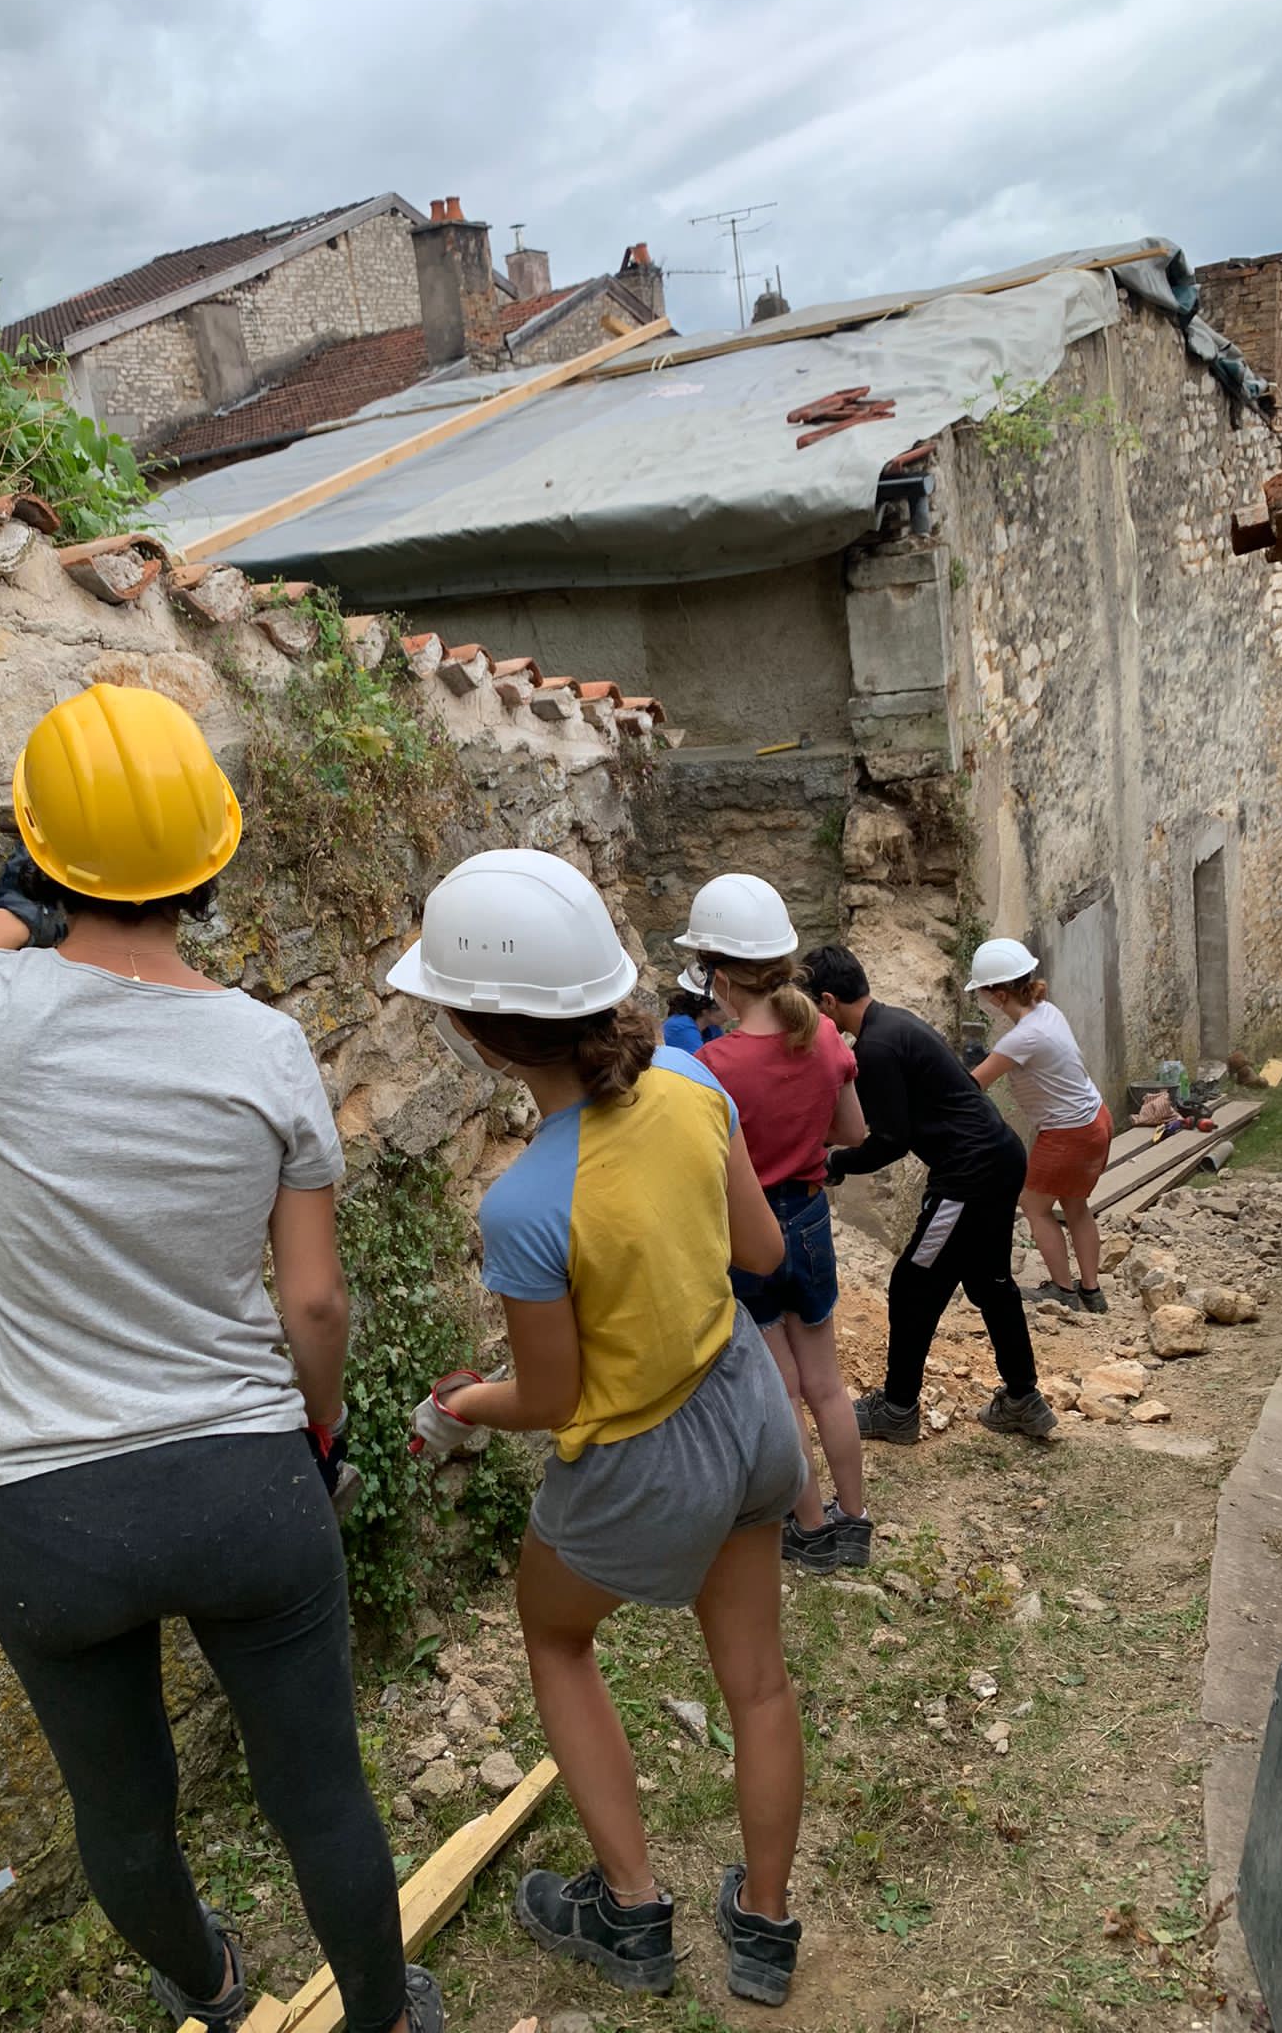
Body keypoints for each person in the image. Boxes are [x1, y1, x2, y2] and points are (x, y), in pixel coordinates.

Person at [0, 684, 441, 2033]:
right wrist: (319, 1437)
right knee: (321, 1795)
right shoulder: (266, 1044)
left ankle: (216, 1989)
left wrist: (18, 915)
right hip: (246, 1481)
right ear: (210, 858)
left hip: (51, 1513)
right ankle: (383, 2018)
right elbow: (315, 1305)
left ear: (43, 852)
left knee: (122, 1818)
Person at [390, 849, 809, 2008]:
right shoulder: (690, 1080)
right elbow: (762, 1251)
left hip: (644, 1461)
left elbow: (551, 1396)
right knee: (756, 1678)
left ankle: (630, 1909)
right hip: (747, 1403)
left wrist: (460, 1403)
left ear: (478, 1035)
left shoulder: (525, 1202)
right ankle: (765, 1927)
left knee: (557, 1634)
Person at [673, 874, 871, 1574]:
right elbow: (853, 1131)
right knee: (827, 1383)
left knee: (783, 1389)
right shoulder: (825, 1037)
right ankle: (855, 1521)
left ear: (721, 980)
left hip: (747, 1229)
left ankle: (809, 1528)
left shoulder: (710, 1065)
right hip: (810, 1217)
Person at [804, 944, 1057, 1445]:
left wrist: (834, 1164)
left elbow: (891, 1141)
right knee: (989, 1282)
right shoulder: (894, 1024)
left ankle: (898, 1409)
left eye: (812, 1007)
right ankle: (1024, 1399)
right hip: (999, 1157)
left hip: (968, 1175)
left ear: (828, 1001)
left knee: (911, 1285)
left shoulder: (875, 1047)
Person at [965, 938, 1113, 1314]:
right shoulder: (1047, 1012)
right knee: (1075, 1204)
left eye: (982, 992)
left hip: (1068, 1132)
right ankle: (1091, 1291)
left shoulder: (1022, 1037)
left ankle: (1063, 1290)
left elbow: (973, 1084)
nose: (981, 999)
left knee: (1034, 1206)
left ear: (999, 995)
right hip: (1095, 1118)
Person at [661, 970, 723, 1056]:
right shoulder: (681, 1027)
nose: (729, 1013)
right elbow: (702, 1062)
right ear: (705, 1009)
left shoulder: (711, 1028)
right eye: (724, 1006)